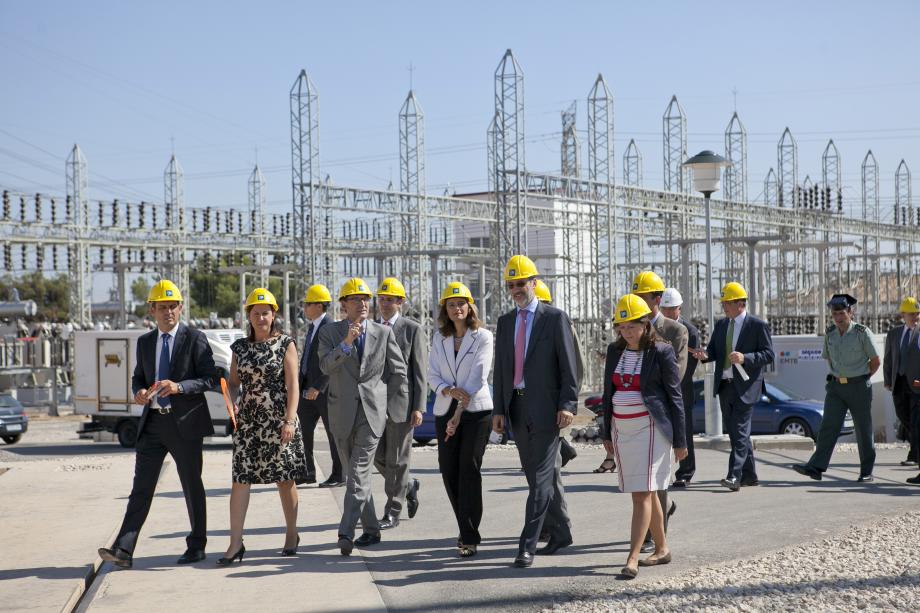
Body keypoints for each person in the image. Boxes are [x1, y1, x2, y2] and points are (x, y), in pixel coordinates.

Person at [98, 280, 219, 569]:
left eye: (173, 306)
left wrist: (180, 387)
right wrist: (138, 391)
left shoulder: (195, 338)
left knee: (191, 485)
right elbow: (138, 377)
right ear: (152, 310)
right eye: (162, 307)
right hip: (152, 424)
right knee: (141, 489)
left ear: (181, 307)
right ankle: (124, 549)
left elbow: (211, 378)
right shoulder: (145, 342)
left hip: (184, 425)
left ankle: (197, 546)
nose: (168, 312)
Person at [492, 254, 578, 568]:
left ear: (534, 282)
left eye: (521, 283)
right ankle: (562, 532)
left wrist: (568, 404)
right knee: (535, 477)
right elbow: (502, 370)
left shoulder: (554, 318)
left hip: (546, 410)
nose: (516, 289)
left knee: (541, 478)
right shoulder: (505, 322)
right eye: (511, 285)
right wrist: (499, 410)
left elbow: (569, 366)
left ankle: (526, 545)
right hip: (516, 407)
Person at [319, 278, 408, 555]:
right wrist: (347, 342)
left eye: (366, 299)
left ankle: (346, 531)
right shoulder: (330, 332)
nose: (363, 304)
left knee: (358, 473)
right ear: (343, 305)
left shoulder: (383, 332)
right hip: (341, 413)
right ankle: (371, 529)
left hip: (371, 415)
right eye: (356, 299)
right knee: (356, 476)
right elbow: (325, 366)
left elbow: (399, 372)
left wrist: (382, 398)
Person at [602, 294, 687, 579]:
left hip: (652, 431)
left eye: (632, 326)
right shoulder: (615, 351)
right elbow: (608, 393)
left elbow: (675, 398)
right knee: (646, 492)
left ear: (645, 324)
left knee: (641, 494)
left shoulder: (661, 351)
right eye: (622, 327)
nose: (626, 332)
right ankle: (662, 548)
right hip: (622, 431)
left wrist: (681, 441)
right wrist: (606, 431)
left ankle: (632, 557)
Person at [218, 288, 306, 564]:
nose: (260, 318)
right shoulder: (239, 348)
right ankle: (235, 544)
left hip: (279, 421)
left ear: (274, 314)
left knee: (284, 479)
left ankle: (291, 534)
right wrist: (231, 401)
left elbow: (293, 386)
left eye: (265, 313)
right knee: (240, 480)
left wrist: (289, 420)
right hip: (248, 423)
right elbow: (234, 383)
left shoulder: (286, 344)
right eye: (255, 313)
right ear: (248, 316)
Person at [427, 282, 494, 557]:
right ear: (445, 309)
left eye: (461, 304)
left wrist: (458, 411)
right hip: (445, 409)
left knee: (469, 468)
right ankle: (464, 525)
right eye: (452, 304)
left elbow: (478, 376)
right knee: (448, 471)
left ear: (470, 307)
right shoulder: (439, 338)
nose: (457, 308)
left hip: (476, 412)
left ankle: (469, 535)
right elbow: (432, 374)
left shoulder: (483, 337)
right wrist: (447, 390)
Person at [690, 281, 774, 492]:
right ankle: (750, 476)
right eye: (723, 303)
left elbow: (768, 354)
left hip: (746, 387)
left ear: (740, 304)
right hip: (725, 386)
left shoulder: (757, 325)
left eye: (727, 302)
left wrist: (745, 358)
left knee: (740, 430)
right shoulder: (721, 325)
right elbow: (713, 351)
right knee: (737, 433)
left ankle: (734, 476)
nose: (724, 306)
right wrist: (704, 355)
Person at [793, 294, 880, 482]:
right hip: (836, 387)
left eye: (842, 313)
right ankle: (816, 467)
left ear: (850, 312)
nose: (838, 318)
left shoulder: (862, 333)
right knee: (828, 426)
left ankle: (866, 472)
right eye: (835, 314)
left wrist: (861, 378)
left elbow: (875, 361)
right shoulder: (830, 333)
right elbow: (829, 358)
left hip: (858, 386)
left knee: (863, 429)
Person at [630, 272, 686, 551]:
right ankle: (655, 525)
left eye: (643, 297)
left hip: (660, 415)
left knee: (658, 480)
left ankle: (656, 537)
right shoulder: (630, 329)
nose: (638, 302)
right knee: (642, 482)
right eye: (636, 297)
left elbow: (677, 374)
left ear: (657, 299)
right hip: (633, 418)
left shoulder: (675, 331)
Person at [373, 277, 426, 529]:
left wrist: (418, 407)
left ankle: (392, 510)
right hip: (374, 405)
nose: (384, 304)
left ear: (400, 302)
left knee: (397, 460)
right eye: (382, 299)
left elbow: (420, 371)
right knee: (376, 456)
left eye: (389, 300)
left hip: (401, 405)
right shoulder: (372, 328)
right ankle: (408, 485)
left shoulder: (412, 329)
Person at [297, 284, 345, 488]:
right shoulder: (312, 327)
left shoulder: (330, 327)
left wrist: (318, 387)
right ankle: (307, 472)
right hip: (307, 389)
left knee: (333, 434)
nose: (304, 308)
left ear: (319, 305)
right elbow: (308, 358)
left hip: (324, 390)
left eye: (308, 304)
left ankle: (339, 475)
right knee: (302, 431)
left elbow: (334, 361)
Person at [534, 278, 579, 468]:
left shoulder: (560, 322)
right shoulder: (521, 326)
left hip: (555, 400)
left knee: (550, 464)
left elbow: (575, 366)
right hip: (531, 401)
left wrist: (568, 401)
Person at [660, 287, 701, 488]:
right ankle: (660, 472)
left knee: (683, 433)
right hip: (660, 389)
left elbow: (688, 366)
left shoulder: (690, 331)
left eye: (671, 309)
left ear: (680, 308)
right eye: (665, 309)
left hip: (681, 390)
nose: (668, 313)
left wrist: (671, 384)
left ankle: (685, 472)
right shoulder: (657, 326)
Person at [883, 297, 920, 467]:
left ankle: (914, 455)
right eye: (912, 314)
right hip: (899, 383)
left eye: (917, 313)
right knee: (903, 416)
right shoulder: (894, 334)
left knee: (915, 420)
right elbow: (888, 358)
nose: (915, 317)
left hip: (917, 384)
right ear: (903, 315)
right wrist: (887, 379)